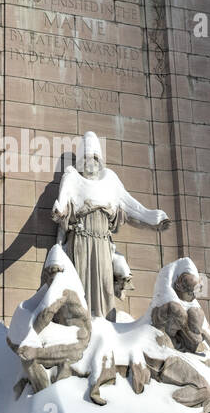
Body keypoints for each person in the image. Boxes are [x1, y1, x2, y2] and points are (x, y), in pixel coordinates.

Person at [52, 132, 169, 319]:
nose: (92, 163)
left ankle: (106, 327)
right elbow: (62, 206)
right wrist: (59, 211)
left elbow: (133, 209)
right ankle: (80, 323)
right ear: (82, 160)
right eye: (88, 158)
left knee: (105, 287)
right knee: (81, 285)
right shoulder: (73, 178)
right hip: (81, 243)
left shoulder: (110, 180)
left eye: (95, 158)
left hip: (103, 246)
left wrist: (152, 220)